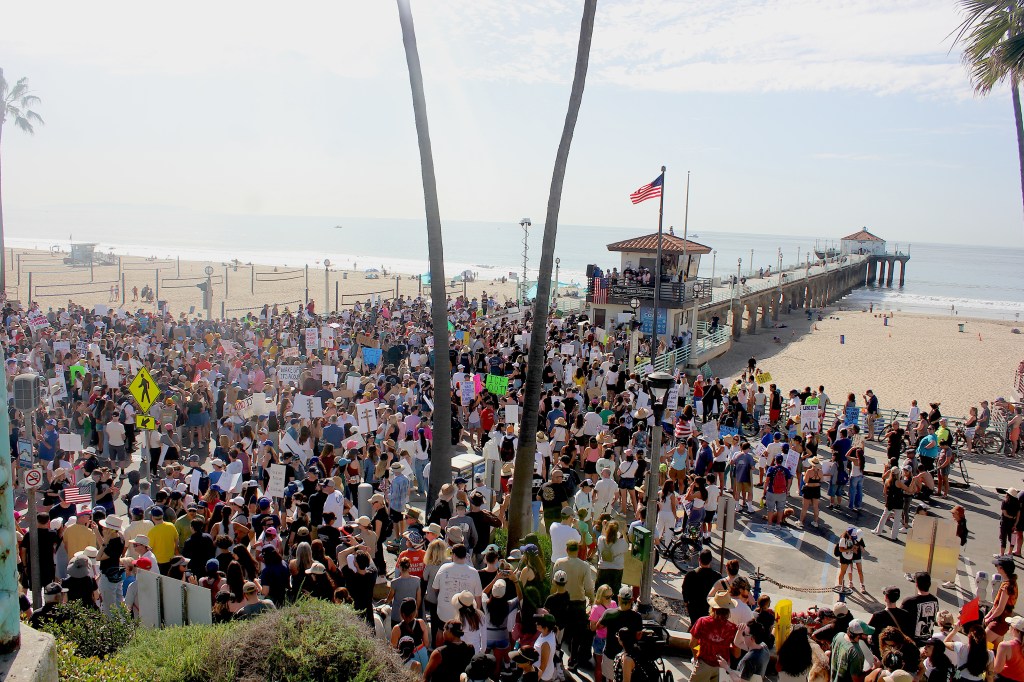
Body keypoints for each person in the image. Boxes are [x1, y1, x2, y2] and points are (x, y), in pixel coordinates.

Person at [690, 591, 739, 682]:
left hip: (704, 663)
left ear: (713, 608)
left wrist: (696, 657)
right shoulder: (733, 628)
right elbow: (737, 654)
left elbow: (692, 644)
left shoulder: (702, 622)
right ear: (728, 610)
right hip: (723, 668)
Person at [598, 587, 643, 682]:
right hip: (628, 656)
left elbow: (598, 626)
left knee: (610, 679)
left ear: (618, 598)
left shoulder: (609, 613)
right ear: (632, 600)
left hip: (610, 654)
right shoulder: (637, 617)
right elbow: (639, 635)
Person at [901, 572, 939, 645]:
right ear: (930, 584)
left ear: (916, 584)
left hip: (911, 643)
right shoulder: (934, 600)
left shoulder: (909, 601)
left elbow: (900, 619)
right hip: (927, 642)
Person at [987, 556, 1019, 643]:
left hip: (999, 621)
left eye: (997, 566)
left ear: (1002, 569)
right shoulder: (1012, 582)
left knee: (979, 644)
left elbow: (1000, 608)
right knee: (995, 649)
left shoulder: (1006, 586)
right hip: (1004, 621)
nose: (996, 568)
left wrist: (989, 618)